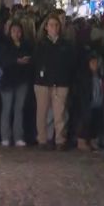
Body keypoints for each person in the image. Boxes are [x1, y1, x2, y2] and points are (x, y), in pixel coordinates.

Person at [33, 15, 73, 149]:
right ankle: (42, 139)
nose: (54, 28)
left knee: (59, 113)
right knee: (42, 113)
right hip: (43, 83)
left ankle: (60, 140)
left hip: (60, 83)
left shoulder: (65, 45)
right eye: (51, 25)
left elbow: (70, 63)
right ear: (46, 27)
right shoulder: (40, 44)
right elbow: (36, 62)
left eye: (56, 25)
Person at [0, 21, 32, 147]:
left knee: (19, 109)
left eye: (19, 31)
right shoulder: (4, 45)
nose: (16, 34)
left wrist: (26, 61)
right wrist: (16, 61)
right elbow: (1, 60)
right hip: (7, 80)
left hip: (22, 80)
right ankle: (5, 136)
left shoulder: (26, 45)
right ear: (10, 32)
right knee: (7, 108)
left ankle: (18, 136)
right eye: (14, 31)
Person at [73, 52, 104, 151]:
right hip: (87, 103)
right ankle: (81, 141)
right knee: (85, 121)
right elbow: (82, 91)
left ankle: (93, 140)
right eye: (93, 62)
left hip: (97, 103)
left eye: (96, 62)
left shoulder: (99, 75)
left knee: (95, 122)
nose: (95, 65)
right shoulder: (84, 75)